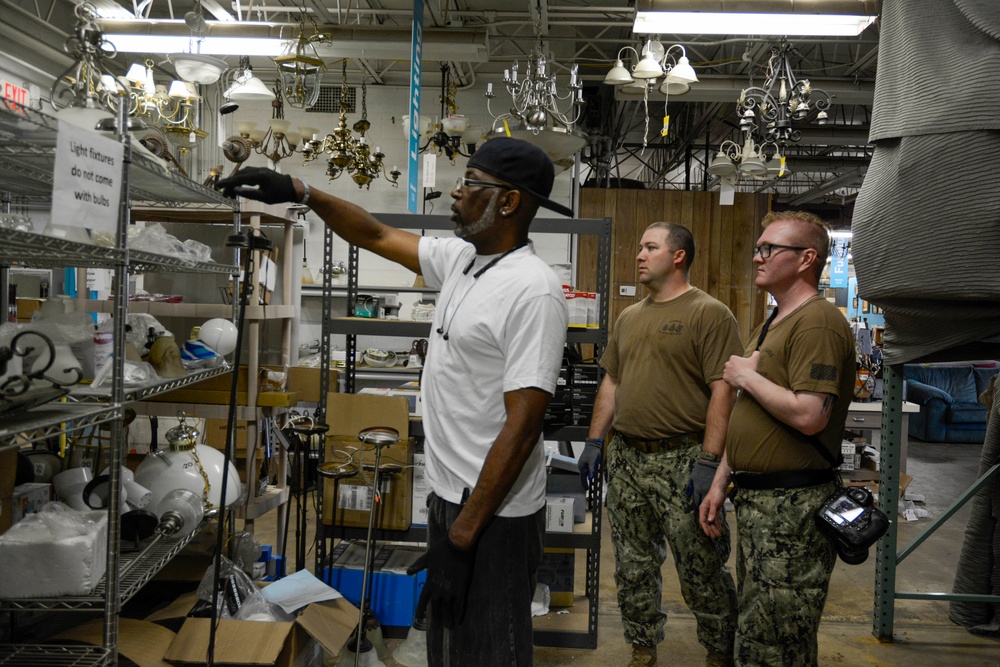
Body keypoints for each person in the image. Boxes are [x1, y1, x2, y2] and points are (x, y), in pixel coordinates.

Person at [217, 137, 570, 666]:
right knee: (451, 643)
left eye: (470, 183)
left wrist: (463, 536)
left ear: (508, 201)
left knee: (491, 649)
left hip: (495, 515)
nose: (455, 192)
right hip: (454, 497)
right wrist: (302, 191)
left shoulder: (533, 291)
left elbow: (522, 427)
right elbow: (376, 233)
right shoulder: (463, 260)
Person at [579, 222, 740, 667]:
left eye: (650, 247)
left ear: (679, 256)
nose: (639, 254)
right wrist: (595, 442)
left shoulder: (709, 313)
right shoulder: (630, 317)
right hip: (628, 459)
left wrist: (709, 462)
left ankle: (720, 651)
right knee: (632, 565)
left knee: (701, 566)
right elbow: (612, 382)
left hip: (683, 459)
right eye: (640, 246)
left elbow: (722, 391)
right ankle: (642, 647)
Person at [699, 210, 856, 667]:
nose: (757, 257)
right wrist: (719, 481)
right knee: (761, 627)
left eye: (770, 249)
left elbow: (810, 415)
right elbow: (751, 415)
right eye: (758, 247)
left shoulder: (818, 322)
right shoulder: (775, 321)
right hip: (761, 505)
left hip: (794, 508)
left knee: (777, 640)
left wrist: (747, 377)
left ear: (807, 258)